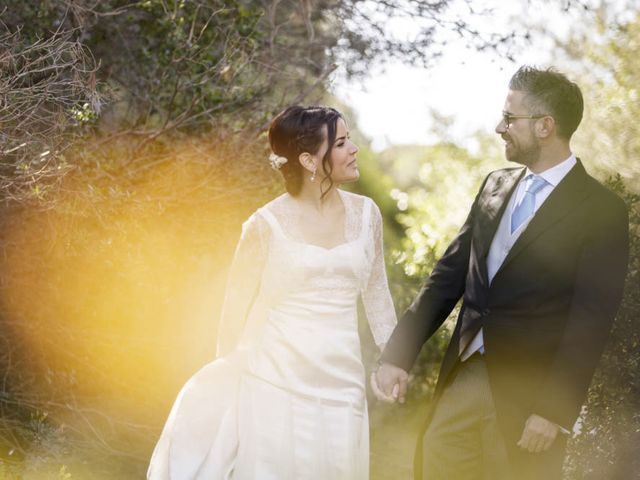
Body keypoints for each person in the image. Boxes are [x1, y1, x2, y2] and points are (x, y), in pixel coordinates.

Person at [372, 66, 629, 480]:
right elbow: (447, 277)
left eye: (510, 119)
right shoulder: (494, 185)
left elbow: (591, 319)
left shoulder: (601, 210)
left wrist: (553, 409)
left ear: (546, 126)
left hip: (528, 399)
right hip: (463, 375)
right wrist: (398, 355)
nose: (499, 127)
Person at [148, 105, 397, 479]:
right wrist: (225, 384)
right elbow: (232, 312)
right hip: (272, 381)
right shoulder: (264, 226)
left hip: (344, 386)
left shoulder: (367, 215)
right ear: (310, 161)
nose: (354, 149)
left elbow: (378, 294)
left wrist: (394, 358)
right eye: (342, 143)